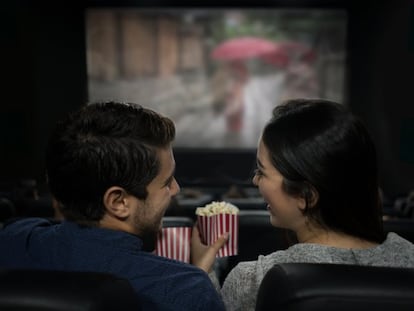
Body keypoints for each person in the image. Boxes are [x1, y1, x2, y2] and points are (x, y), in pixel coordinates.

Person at [0, 102, 227, 311]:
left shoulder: (12, 240)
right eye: (167, 182)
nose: (176, 189)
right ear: (118, 202)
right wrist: (201, 273)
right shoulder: (187, 290)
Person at [192, 98, 414, 311]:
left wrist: (203, 272)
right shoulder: (408, 256)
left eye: (261, 171)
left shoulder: (253, 279)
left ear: (306, 196)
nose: (255, 180)